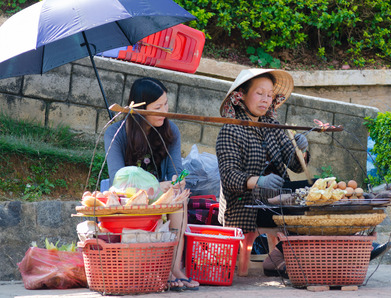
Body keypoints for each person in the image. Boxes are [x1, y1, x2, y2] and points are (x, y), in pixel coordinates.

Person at [104, 77, 199, 291]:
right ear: (140, 108)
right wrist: (156, 187)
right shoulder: (116, 133)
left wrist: (176, 182)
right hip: (128, 199)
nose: (164, 111)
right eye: (157, 107)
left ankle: (174, 267)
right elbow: (116, 179)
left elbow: (175, 172)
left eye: (166, 104)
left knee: (179, 200)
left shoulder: (170, 130)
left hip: (162, 195)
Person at [215, 68, 309, 277]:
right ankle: (280, 258)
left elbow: (294, 164)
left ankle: (281, 256)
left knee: (317, 190)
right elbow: (229, 176)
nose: (265, 99)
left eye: (269, 95)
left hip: (278, 198)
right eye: (259, 93)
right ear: (241, 95)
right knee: (303, 202)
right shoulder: (231, 129)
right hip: (246, 205)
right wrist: (260, 181)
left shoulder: (272, 125)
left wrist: (300, 148)